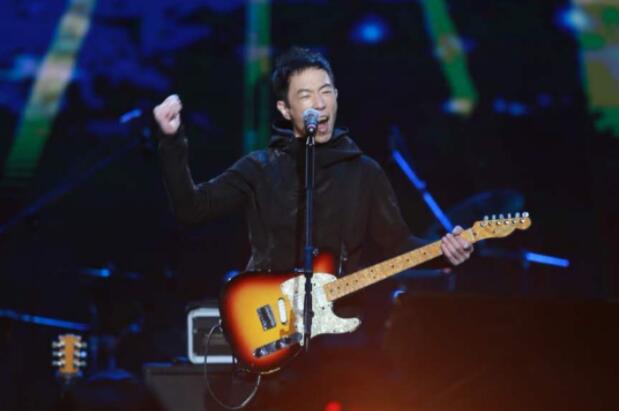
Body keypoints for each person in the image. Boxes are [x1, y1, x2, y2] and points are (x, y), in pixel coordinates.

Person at [154, 47, 473, 277]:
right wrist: (171, 141)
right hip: (271, 325)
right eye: (306, 95)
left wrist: (443, 252)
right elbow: (192, 208)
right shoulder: (260, 167)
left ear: (336, 96)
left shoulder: (364, 171)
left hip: (342, 326)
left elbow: (398, 244)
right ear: (285, 109)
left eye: (326, 92)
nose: (319, 104)